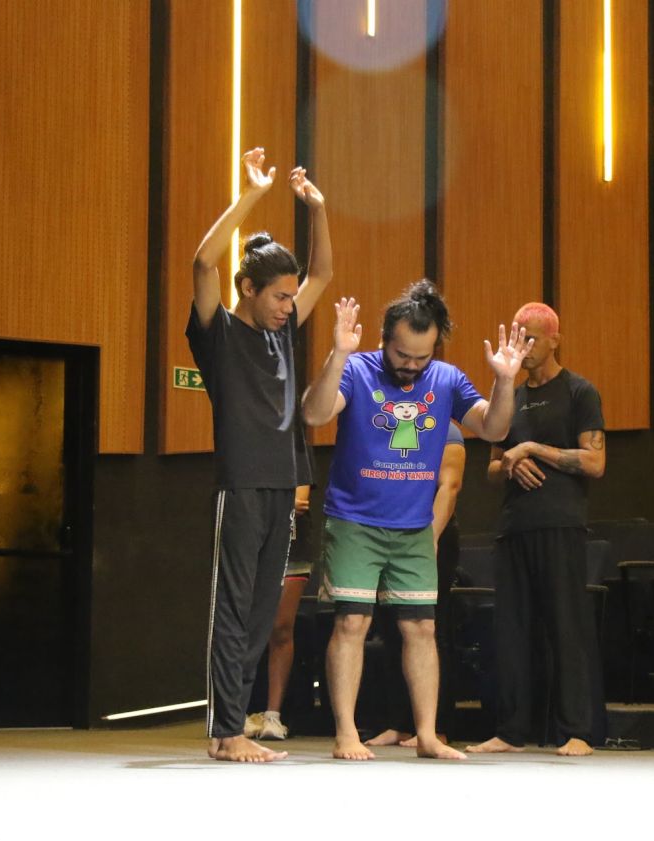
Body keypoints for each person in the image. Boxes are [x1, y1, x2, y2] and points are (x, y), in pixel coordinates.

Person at [301, 281, 532, 760]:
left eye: (421, 357)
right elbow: (315, 413)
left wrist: (505, 382)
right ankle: (346, 733)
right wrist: (338, 354)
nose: (410, 365)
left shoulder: (447, 379)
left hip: (413, 528)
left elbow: (495, 427)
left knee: (422, 629)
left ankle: (427, 735)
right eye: (402, 354)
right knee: (353, 622)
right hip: (355, 521)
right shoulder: (358, 370)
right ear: (384, 339)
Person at [187, 147, 332, 763]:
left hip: (282, 487)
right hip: (241, 485)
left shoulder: (284, 331)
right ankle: (225, 730)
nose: (287, 305)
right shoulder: (220, 334)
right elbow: (202, 261)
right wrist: (250, 195)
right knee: (234, 604)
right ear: (247, 289)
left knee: (263, 611)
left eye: (291, 297)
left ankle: (236, 725)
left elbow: (323, 272)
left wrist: (317, 209)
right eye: (277, 295)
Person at [465, 302, 606, 758]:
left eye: (531, 338)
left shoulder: (580, 392)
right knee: (511, 632)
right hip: (514, 527)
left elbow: (595, 462)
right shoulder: (512, 396)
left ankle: (577, 730)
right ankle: (511, 730)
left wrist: (532, 448)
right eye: (518, 337)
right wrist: (511, 463)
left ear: (554, 340)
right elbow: (491, 467)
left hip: (560, 524)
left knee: (566, 628)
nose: (523, 347)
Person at [364, 422, 465, 748]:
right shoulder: (389, 427)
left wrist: (430, 538)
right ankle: (400, 723)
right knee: (391, 629)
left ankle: (437, 727)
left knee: (430, 629)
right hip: (388, 531)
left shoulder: (446, 429)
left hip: (431, 534)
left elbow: (449, 486)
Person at [242, 483, 313, 742]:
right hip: (250, 542)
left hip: (291, 545)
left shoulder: (296, 457)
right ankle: (238, 712)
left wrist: (265, 503)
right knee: (245, 628)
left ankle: (273, 715)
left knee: (281, 627)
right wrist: (282, 504)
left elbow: (301, 501)